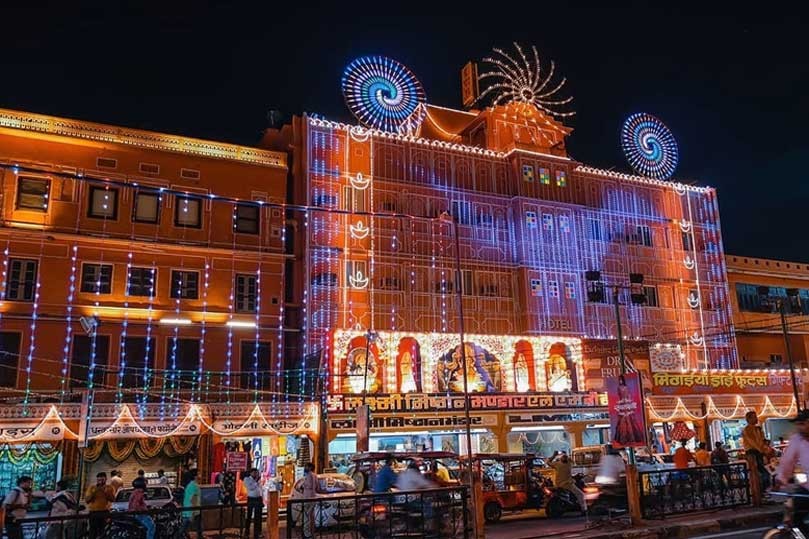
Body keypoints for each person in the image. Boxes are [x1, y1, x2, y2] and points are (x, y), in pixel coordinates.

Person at [776, 409, 809, 534]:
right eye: (797, 424)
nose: (799, 428)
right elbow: (787, 461)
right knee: (793, 508)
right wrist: (780, 480)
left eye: (802, 424)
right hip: (807, 486)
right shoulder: (797, 440)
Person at [743, 410, 770, 489]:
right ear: (749, 419)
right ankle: (762, 489)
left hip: (759, 452)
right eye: (754, 417)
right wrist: (761, 450)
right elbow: (752, 442)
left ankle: (764, 489)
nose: (756, 419)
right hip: (752, 453)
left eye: (756, 417)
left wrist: (765, 447)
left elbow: (762, 440)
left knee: (764, 470)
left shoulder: (758, 429)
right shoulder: (747, 429)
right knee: (759, 472)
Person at [85, 472, 115, 539]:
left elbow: (112, 499)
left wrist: (106, 492)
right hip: (93, 512)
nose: (100, 482)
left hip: (104, 511)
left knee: (103, 531)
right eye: (99, 480)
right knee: (92, 531)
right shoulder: (92, 487)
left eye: (102, 480)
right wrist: (94, 492)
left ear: (106, 479)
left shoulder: (109, 487)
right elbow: (87, 500)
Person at [243, 468, 264, 539]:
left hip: (258, 499)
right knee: (249, 515)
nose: (256, 474)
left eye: (257, 473)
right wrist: (256, 481)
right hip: (251, 499)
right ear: (251, 473)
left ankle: (258, 532)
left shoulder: (258, 480)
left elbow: (260, 489)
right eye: (254, 473)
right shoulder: (247, 479)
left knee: (258, 517)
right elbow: (250, 487)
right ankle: (247, 532)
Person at [301, 463, 318, 539]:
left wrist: (303, 486)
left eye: (306, 466)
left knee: (306, 516)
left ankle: (307, 534)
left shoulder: (308, 475)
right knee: (312, 516)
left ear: (310, 467)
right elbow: (317, 486)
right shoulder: (315, 475)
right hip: (313, 497)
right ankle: (312, 532)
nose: (305, 467)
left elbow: (306, 485)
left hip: (307, 497)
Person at [181, 469, 200, 535]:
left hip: (187, 510)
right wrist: (193, 513)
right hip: (193, 511)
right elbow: (194, 499)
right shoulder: (195, 486)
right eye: (198, 474)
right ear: (195, 476)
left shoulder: (189, 485)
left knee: (184, 529)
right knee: (183, 530)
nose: (200, 476)